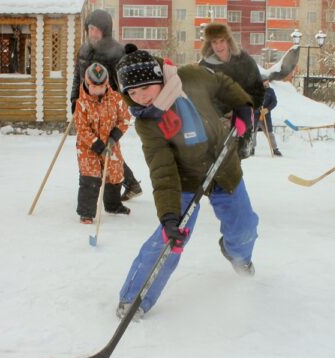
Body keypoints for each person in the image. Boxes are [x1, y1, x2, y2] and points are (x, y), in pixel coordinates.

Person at [115, 45, 259, 319]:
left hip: (222, 166)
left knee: (244, 227)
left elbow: (222, 83)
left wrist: (242, 105)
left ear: (159, 78)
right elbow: (163, 171)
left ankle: (237, 255)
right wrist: (169, 217)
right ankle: (135, 298)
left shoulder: (191, 77)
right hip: (184, 179)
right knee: (169, 239)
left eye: (145, 88)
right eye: (132, 93)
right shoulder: (148, 122)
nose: (140, 98)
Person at [70, 9, 143, 202]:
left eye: (97, 30)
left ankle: (127, 184)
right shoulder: (84, 50)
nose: (93, 33)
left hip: (107, 109)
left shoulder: (116, 52)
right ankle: (130, 184)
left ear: (106, 31)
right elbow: (78, 77)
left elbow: (122, 83)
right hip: (87, 107)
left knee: (107, 149)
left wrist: (121, 107)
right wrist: (73, 101)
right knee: (98, 148)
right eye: (90, 29)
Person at [74, 63, 131, 223]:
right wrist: (97, 146)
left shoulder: (116, 99)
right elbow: (82, 128)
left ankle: (113, 205)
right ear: (87, 84)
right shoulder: (82, 103)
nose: (98, 90)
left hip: (110, 144)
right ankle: (86, 212)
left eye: (102, 87)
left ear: (107, 84)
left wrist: (114, 137)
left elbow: (125, 118)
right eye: (94, 87)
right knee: (90, 177)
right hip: (88, 147)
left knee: (115, 174)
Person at [199, 22, 265, 158]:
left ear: (228, 41)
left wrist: (242, 107)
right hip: (214, 124)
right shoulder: (205, 65)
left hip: (241, 122)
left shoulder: (244, 61)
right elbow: (200, 94)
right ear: (209, 44)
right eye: (214, 42)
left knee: (234, 166)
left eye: (222, 41)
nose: (218, 46)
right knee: (213, 166)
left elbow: (258, 91)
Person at [253, 79, 282, 157]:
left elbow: (274, 102)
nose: (267, 83)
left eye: (268, 82)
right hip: (255, 116)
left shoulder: (270, 91)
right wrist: (257, 108)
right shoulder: (256, 90)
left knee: (269, 133)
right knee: (253, 133)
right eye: (265, 81)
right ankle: (251, 149)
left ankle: (275, 149)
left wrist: (267, 109)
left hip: (266, 117)